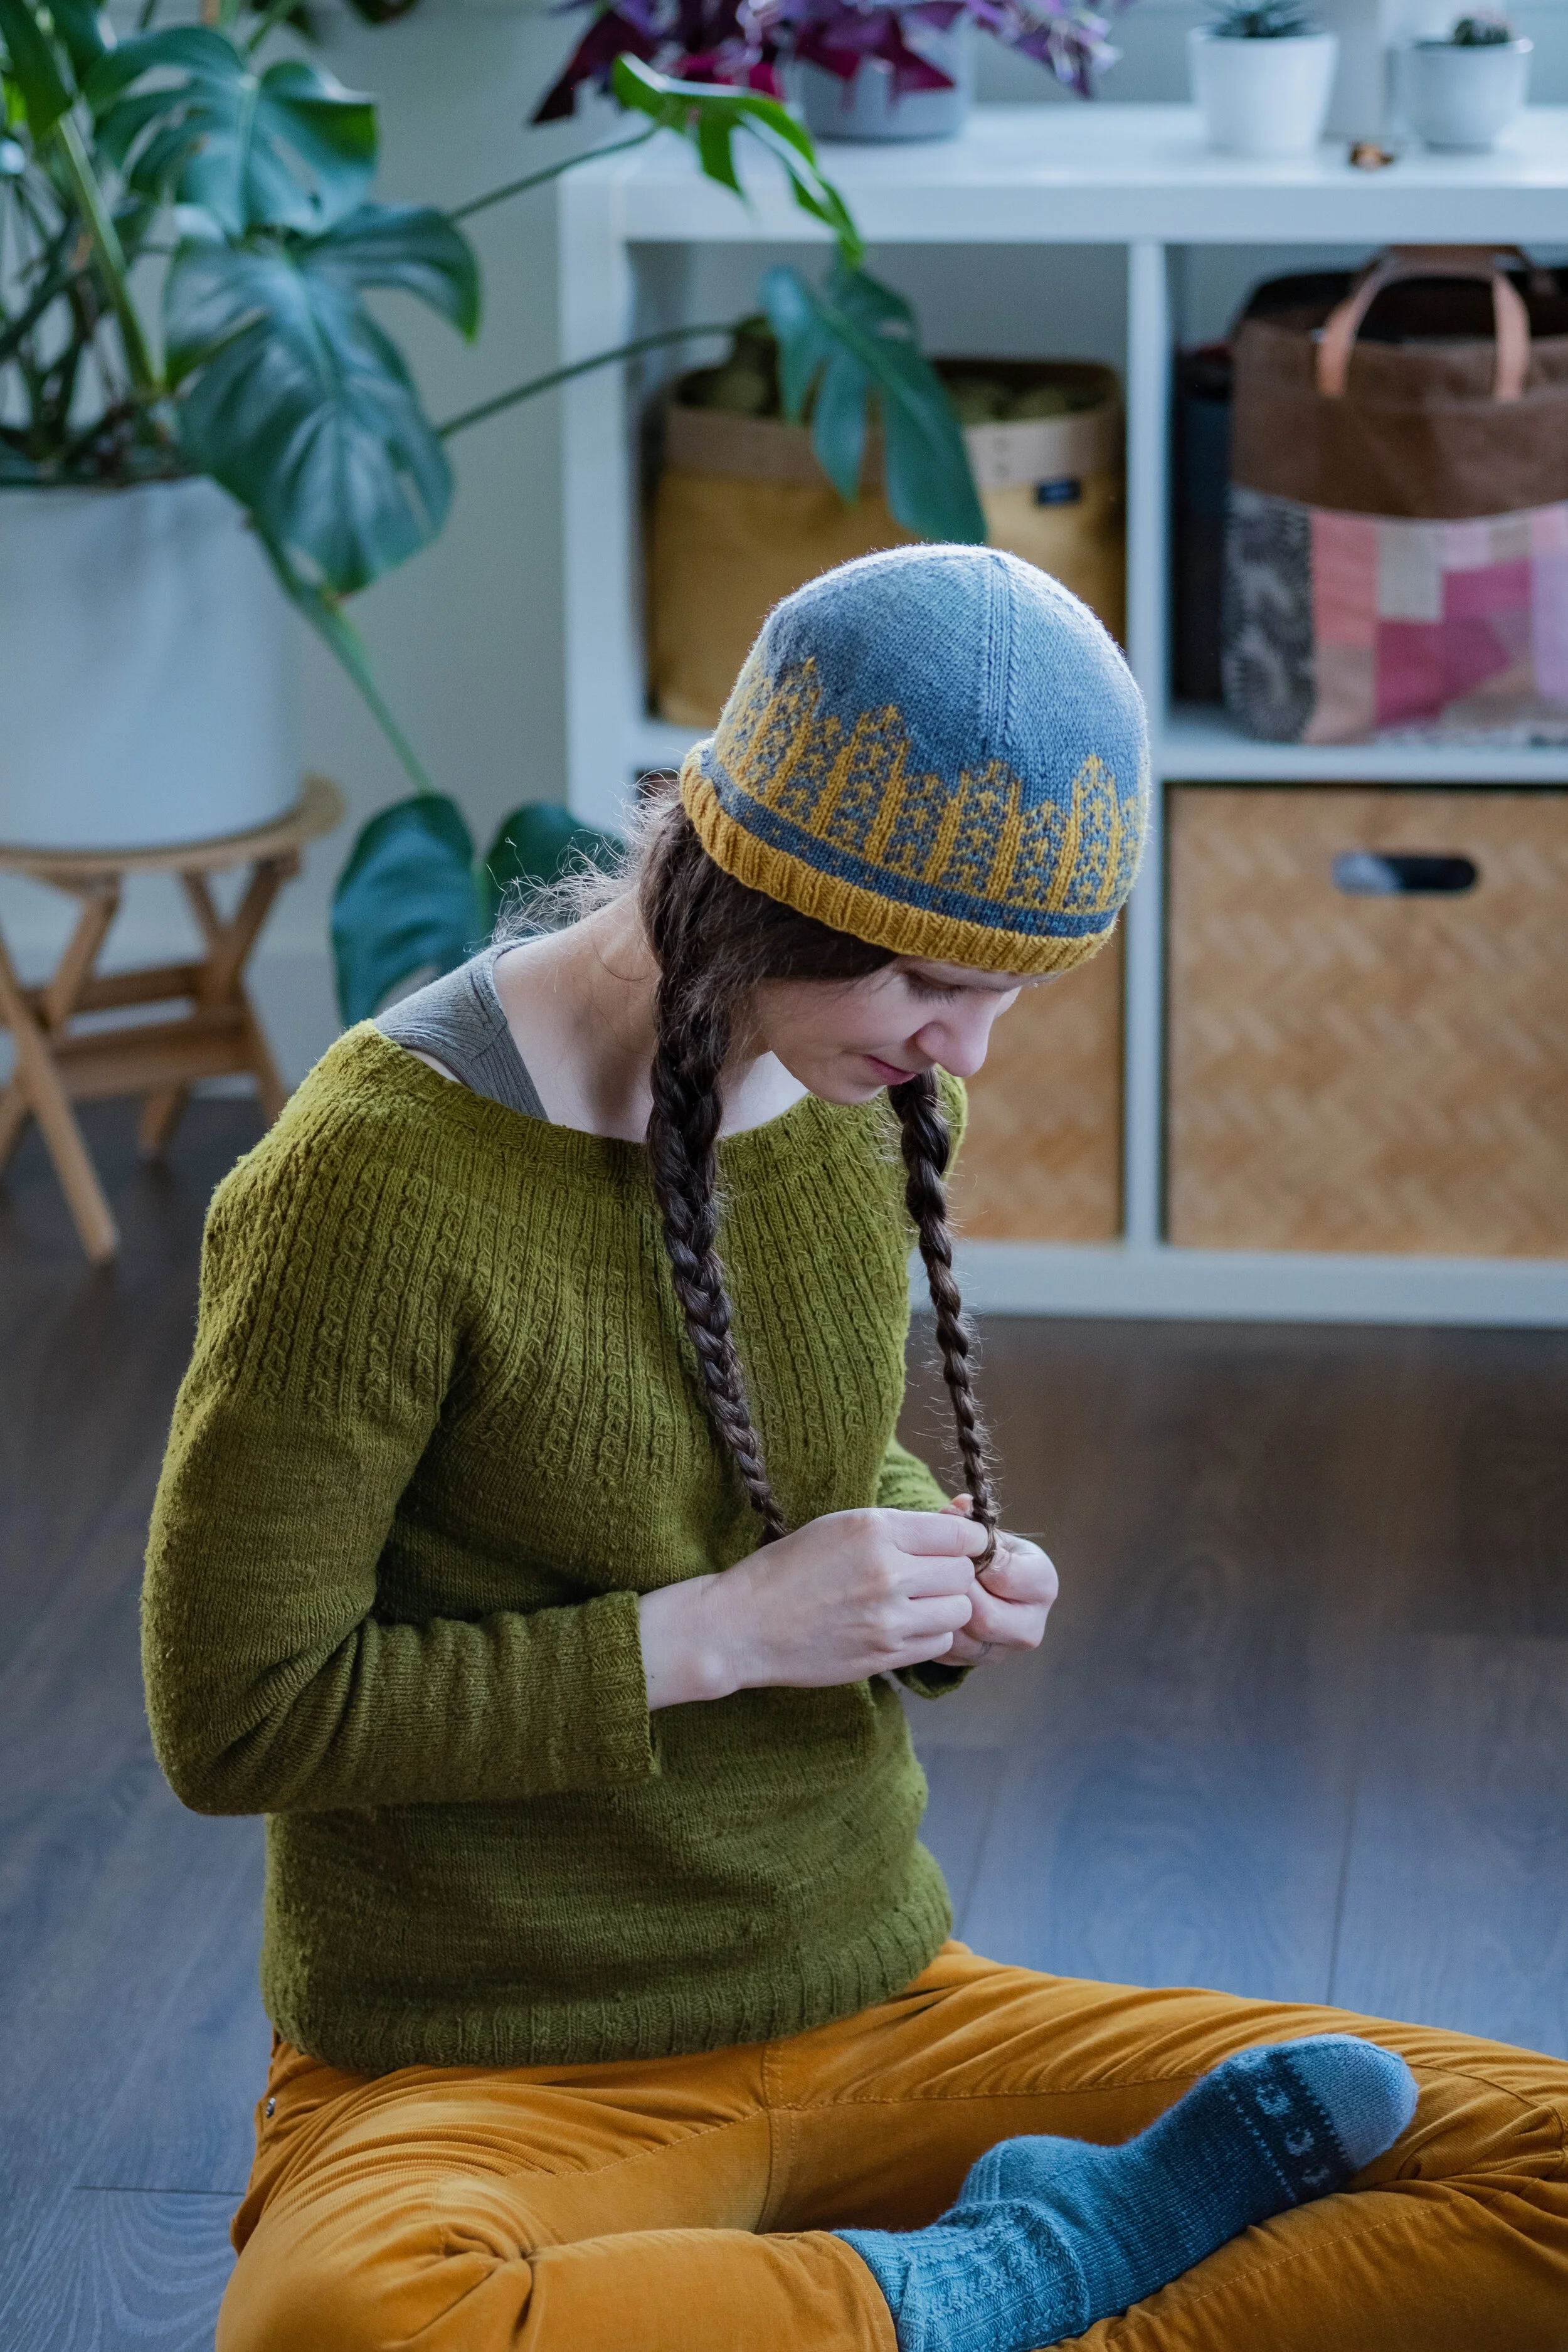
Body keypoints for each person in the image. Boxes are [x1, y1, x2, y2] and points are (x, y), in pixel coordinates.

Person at [143, 548, 1568, 2352]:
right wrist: (717, 1634)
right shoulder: (370, 1178)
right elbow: (237, 1715)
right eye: (923, 980)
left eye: (1011, 989)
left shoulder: (861, 1087)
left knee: (1542, 2159)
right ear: (757, 897)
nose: (966, 1048)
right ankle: (1015, 2281)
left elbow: (793, 1461)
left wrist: (916, 1564)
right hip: (476, 2063)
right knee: (347, 2325)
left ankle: (955, 2295)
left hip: (877, 1994)